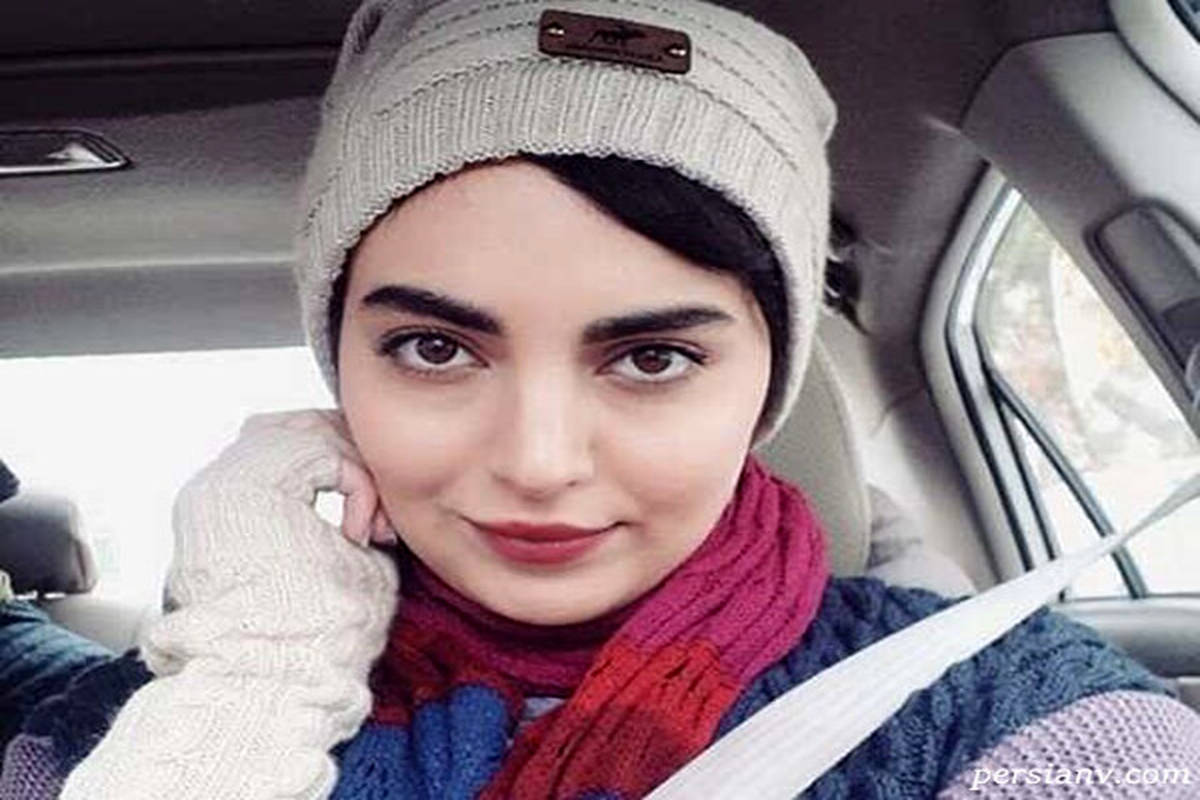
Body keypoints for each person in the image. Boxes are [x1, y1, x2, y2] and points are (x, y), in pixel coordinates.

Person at [4, 0, 1198, 797]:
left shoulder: (1001, 714)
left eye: (653, 358)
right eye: (433, 347)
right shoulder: (119, 733)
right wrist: (256, 679)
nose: (538, 460)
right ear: (338, 373)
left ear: (768, 385)